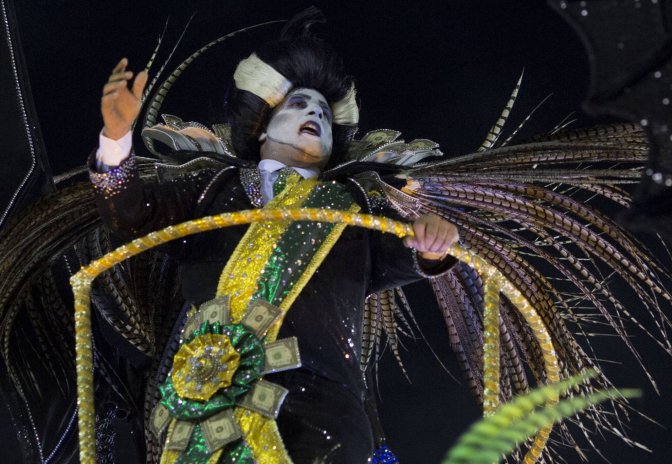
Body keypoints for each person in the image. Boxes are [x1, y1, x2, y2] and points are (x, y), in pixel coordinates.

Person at [91, 30, 460, 463]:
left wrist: (434, 243)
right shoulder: (212, 189)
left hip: (322, 408)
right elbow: (131, 214)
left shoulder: (355, 210)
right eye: (299, 104)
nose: (315, 115)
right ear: (262, 127)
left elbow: (410, 251)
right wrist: (115, 140)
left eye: (323, 112)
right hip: (205, 401)